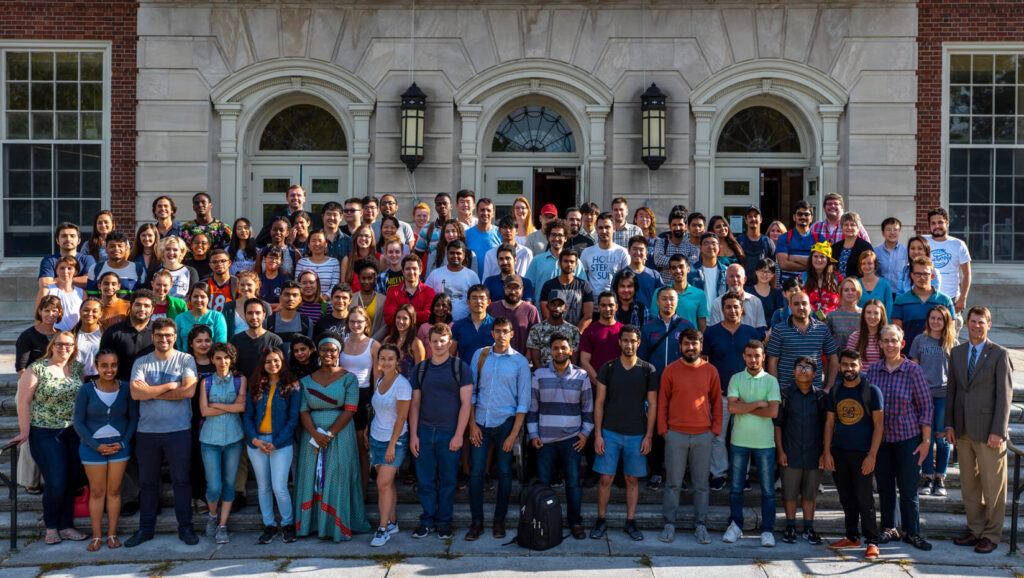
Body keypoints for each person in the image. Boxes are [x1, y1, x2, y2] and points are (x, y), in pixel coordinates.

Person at [126, 318, 200, 547]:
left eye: (168, 335)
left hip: (179, 431)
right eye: (159, 335)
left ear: (175, 336)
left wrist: (151, 391)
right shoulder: (141, 362)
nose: (164, 339)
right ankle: (145, 529)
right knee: (147, 483)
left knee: (181, 481)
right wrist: (169, 386)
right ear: (153, 336)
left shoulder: (186, 359)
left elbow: (188, 391)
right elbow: (136, 394)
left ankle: (185, 527)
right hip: (147, 432)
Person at [947, 306, 1014, 554]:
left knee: (993, 487)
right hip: (963, 431)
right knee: (969, 486)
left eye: (981, 322)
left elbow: (1005, 396)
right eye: (972, 322)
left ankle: (992, 535)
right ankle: (975, 530)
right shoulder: (957, 352)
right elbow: (952, 391)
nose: (976, 326)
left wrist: (999, 430)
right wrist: (949, 424)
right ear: (966, 323)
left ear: (989, 324)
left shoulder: (999, 354)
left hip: (990, 434)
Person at [12, 331, 87, 545]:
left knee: (71, 480)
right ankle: (51, 526)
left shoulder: (77, 369)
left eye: (69, 345)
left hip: (72, 432)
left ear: (74, 347)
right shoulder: (37, 369)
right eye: (60, 344)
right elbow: (23, 402)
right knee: (55, 481)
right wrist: (25, 431)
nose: (64, 348)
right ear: (52, 346)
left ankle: (66, 525)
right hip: (44, 432)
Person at [867, 324, 934, 551]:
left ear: (902, 343)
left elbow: (926, 407)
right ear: (880, 344)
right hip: (882, 440)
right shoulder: (873, 371)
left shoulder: (913, 370)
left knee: (908, 489)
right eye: (886, 340)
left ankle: (912, 532)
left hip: (908, 438)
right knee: (885, 487)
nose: (890, 344)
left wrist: (926, 442)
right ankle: (889, 528)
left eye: (894, 340)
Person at [465, 317, 532, 541]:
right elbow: (472, 393)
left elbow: (524, 401)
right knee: (476, 473)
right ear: (491, 333)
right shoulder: (480, 355)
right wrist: (472, 424)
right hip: (481, 423)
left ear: (512, 334)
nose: (501, 335)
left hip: (506, 424)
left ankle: (499, 520)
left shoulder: (520, 362)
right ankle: (477, 522)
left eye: (505, 331)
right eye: (498, 331)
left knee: (504, 473)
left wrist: (514, 435)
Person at [591, 325, 657, 541]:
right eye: (625, 340)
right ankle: (601, 520)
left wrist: (649, 435)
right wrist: (598, 434)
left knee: (632, 479)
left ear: (639, 343)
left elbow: (653, 405)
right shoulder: (608, 368)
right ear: (619, 342)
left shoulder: (648, 369)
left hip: (637, 433)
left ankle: (631, 521)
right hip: (609, 432)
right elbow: (599, 403)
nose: (629, 344)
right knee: (606, 478)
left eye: (633, 341)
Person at [409, 324, 473, 540]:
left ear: (449, 342)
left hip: (449, 433)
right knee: (425, 481)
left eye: (442, 341)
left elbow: (466, 404)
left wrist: (458, 434)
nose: (438, 345)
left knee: (447, 481)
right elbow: (415, 404)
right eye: (434, 341)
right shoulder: (420, 369)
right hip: (425, 432)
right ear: (428, 342)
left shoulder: (460, 367)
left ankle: (444, 522)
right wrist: (414, 435)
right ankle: (427, 520)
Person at [657, 328, 720, 544]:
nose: (690, 348)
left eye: (694, 344)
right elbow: (662, 402)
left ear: (701, 346)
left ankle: (701, 525)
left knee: (701, 484)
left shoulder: (710, 371)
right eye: (686, 343)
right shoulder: (670, 371)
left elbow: (717, 403)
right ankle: (669, 523)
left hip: (703, 434)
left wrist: (715, 430)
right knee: (673, 482)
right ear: (680, 345)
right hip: (675, 435)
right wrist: (663, 430)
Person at [529, 332, 594, 540]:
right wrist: (533, 434)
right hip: (545, 440)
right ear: (550, 351)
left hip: (572, 440)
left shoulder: (582, 376)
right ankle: (544, 520)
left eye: (563, 348)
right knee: (544, 483)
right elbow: (532, 409)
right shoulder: (539, 375)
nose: (559, 351)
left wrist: (584, 434)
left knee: (573, 483)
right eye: (556, 348)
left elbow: (588, 410)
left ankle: (575, 522)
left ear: (571, 350)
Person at [73, 350, 137, 551]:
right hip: (92, 448)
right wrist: (95, 445)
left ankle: (112, 534)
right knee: (98, 492)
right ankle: (97, 537)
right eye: (104, 365)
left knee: (114, 491)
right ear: (96, 366)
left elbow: (133, 419)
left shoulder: (126, 388)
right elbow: (78, 422)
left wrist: (123, 443)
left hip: (119, 447)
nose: (109, 370)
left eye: (113, 365)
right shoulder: (86, 390)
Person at [823, 349, 884, 559]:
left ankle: (872, 540)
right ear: (839, 366)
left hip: (863, 454)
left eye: (853, 365)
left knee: (864, 499)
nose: (849, 369)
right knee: (846, 498)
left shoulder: (871, 391)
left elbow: (878, 425)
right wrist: (826, 452)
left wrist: (872, 455)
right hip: (839, 452)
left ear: (860, 367)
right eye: (845, 365)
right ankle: (851, 536)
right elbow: (830, 423)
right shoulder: (836, 391)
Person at [722, 340, 781, 548]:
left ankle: (767, 530)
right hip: (739, 441)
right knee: (736, 488)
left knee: (768, 491)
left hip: (765, 443)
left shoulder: (771, 381)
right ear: (744, 357)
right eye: (749, 355)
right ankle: (735, 526)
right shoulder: (736, 379)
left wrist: (744, 406)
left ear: (763, 357)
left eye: (757, 355)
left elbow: (773, 412)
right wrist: (757, 404)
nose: (753, 359)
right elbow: (732, 409)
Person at [701, 292, 762, 490]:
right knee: (717, 436)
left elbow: (759, 362)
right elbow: (703, 361)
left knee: (743, 437)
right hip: (720, 393)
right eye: (728, 307)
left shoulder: (751, 332)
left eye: (736, 307)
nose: (732, 310)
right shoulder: (711, 332)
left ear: (742, 310)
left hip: (746, 395)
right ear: (722, 309)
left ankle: (741, 474)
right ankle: (718, 474)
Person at [243, 348, 302, 544]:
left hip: (281, 443)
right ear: (263, 364)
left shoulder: (292, 387)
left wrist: (275, 443)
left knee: (280, 487)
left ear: (282, 362)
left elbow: (293, 420)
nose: (273, 364)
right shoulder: (255, 385)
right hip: (257, 443)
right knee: (263, 487)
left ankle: (287, 524)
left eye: (276, 360)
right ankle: (269, 525)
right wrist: (254, 439)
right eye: (268, 361)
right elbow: (248, 416)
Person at [774, 355, 826, 545]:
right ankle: (790, 526)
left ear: (815, 374)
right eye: (799, 367)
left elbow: (827, 426)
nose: (803, 370)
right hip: (790, 451)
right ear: (793, 371)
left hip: (814, 453)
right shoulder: (785, 394)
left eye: (807, 368)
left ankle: (809, 527)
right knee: (789, 492)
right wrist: (780, 451)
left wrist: (824, 453)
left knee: (809, 493)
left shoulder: (821, 397)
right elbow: (778, 425)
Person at [198, 342, 246, 544]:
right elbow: (204, 412)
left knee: (229, 483)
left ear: (231, 359)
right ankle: (212, 516)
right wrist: (229, 407)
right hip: (210, 439)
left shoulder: (239, 380)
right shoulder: (206, 382)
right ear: (212, 360)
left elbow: (242, 407)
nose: (222, 362)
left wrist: (216, 404)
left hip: (234, 438)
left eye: (226, 358)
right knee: (213, 486)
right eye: (218, 358)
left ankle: (223, 525)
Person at [368, 344, 413, 546]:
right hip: (376, 437)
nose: (386, 362)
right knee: (387, 484)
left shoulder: (402, 385)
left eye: (390, 359)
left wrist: (392, 445)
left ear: (397, 361)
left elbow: (402, 417)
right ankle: (393, 522)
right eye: (382, 358)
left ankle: (383, 528)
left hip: (394, 440)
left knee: (382, 484)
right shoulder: (378, 380)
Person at [910, 305, 957, 497]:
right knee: (925, 438)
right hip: (923, 395)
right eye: (933, 318)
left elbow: (956, 371)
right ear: (928, 319)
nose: (935, 321)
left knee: (941, 437)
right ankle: (928, 476)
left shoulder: (951, 342)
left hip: (943, 395)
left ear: (945, 322)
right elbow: (914, 366)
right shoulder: (919, 340)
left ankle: (940, 477)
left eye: (939, 319)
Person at [340, 306, 381, 493]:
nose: (356, 325)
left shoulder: (374, 345)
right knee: (344, 448)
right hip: (342, 397)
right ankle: (346, 491)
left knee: (361, 448)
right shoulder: (341, 342)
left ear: (366, 324)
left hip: (363, 396)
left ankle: (362, 493)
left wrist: (374, 407)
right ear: (347, 324)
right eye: (352, 321)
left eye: (359, 321)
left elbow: (377, 380)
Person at [766, 291, 839, 391]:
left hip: (815, 392)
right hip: (786, 392)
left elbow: (833, 358)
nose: (801, 307)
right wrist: (775, 389)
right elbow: (772, 361)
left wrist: (829, 387)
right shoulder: (779, 329)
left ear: (810, 306)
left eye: (804, 303)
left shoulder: (822, 329)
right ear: (790, 307)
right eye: (796, 304)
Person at [892, 256, 955, 355]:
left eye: (926, 274)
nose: (922, 277)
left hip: (938, 357)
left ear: (932, 276)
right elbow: (896, 333)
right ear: (912, 275)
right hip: (908, 356)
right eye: (918, 274)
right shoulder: (901, 301)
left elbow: (951, 331)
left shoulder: (945, 300)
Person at [99, 290, 156, 381]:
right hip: (119, 387)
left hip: (151, 388)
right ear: (130, 307)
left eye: (146, 306)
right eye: (138, 305)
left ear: (152, 310)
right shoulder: (112, 332)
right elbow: (103, 362)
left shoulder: (160, 333)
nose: (142, 309)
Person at [924, 207, 971, 317]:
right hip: (926, 298)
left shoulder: (958, 244)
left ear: (947, 223)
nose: (937, 226)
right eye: (933, 223)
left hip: (951, 299)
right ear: (929, 225)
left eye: (940, 222)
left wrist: (962, 298)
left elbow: (967, 274)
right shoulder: (922, 242)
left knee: (951, 333)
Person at [525, 218, 587, 294]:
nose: (557, 238)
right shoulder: (537, 261)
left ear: (565, 238)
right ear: (548, 237)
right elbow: (529, 287)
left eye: (560, 235)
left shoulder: (575, 262)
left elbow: (583, 288)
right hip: (541, 305)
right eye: (553, 235)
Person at [426, 239, 480, 322]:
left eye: (458, 253)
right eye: (452, 253)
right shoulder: (435, 274)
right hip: (440, 324)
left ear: (464, 255)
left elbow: (477, 301)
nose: (455, 256)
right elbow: (427, 298)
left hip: (465, 323)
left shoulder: (472, 276)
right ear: (446, 254)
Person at [538, 248, 593, 330]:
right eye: (566, 261)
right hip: (553, 334)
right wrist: (557, 334)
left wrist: (575, 334)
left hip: (577, 335)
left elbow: (588, 316)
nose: (569, 264)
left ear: (576, 265)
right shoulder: (548, 285)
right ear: (559, 264)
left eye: (572, 262)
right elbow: (546, 315)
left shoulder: (584, 286)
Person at [486, 275, 540, 356]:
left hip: (520, 361)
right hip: (495, 359)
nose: (513, 292)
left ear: (522, 289)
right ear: (504, 289)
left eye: (516, 288)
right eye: (509, 288)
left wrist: (525, 362)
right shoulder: (492, 308)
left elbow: (534, 342)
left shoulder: (531, 310)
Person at [230, 298, 284, 378]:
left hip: (267, 388)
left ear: (264, 315)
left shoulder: (275, 341)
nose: (254, 317)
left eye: (258, 313)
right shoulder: (235, 340)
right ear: (245, 316)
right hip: (242, 388)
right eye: (250, 313)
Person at [255, 184, 323, 246]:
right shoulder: (277, 217)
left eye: (299, 195)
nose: (296, 198)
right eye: (292, 195)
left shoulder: (314, 218)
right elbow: (260, 241)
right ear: (287, 198)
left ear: (304, 199)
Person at [526, 291, 581, 368]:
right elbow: (535, 360)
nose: (556, 308)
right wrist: (544, 376)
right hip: (543, 375)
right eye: (553, 304)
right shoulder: (536, 329)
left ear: (565, 307)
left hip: (567, 376)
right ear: (547, 306)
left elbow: (574, 360)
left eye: (560, 305)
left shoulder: (573, 331)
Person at [580, 212, 630, 295]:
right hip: (593, 299)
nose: (603, 231)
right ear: (596, 229)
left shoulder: (622, 252)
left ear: (614, 228)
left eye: (607, 227)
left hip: (615, 299)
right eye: (600, 227)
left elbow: (627, 279)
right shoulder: (586, 253)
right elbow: (582, 281)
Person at [580, 292, 622, 389]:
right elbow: (584, 362)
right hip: (595, 388)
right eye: (603, 305)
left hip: (619, 388)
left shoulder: (623, 331)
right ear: (598, 307)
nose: (607, 309)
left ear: (616, 307)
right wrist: (600, 384)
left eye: (611, 305)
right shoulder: (589, 331)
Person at [382, 255, 436, 331]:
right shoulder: (393, 291)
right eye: (407, 269)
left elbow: (429, 316)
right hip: (396, 338)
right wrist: (417, 315)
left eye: (414, 269)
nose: (411, 272)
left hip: (420, 337)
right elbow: (389, 317)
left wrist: (402, 316)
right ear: (403, 271)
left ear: (420, 270)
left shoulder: (429, 292)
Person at [86, 231, 147, 296]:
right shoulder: (95, 269)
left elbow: (142, 297)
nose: (116, 249)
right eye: (112, 246)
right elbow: (92, 299)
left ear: (126, 249)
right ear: (106, 250)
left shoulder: (138, 269)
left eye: (120, 246)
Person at [707, 263, 766, 331]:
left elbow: (760, 331)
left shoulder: (755, 302)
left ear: (744, 279)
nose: (735, 280)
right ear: (726, 280)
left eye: (738, 276)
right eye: (731, 276)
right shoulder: (717, 303)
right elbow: (715, 331)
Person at [38, 222, 95, 290]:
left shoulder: (88, 259)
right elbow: (45, 284)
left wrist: (57, 280)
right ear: (57, 240)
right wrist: (78, 281)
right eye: (64, 236)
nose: (68, 239)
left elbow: (90, 282)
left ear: (79, 240)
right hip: (56, 299)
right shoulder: (49, 260)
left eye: (72, 236)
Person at [174, 283, 227, 351]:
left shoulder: (217, 317)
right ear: (190, 298)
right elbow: (176, 345)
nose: (199, 300)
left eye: (203, 297)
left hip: (210, 359)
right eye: (195, 296)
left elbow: (221, 345)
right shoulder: (180, 318)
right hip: (184, 359)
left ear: (209, 298)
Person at [776, 200, 819, 284]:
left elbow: (822, 264)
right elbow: (783, 264)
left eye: (806, 214)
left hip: (811, 288)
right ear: (794, 217)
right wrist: (810, 266)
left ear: (811, 218)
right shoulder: (784, 238)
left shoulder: (819, 239)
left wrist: (794, 258)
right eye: (799, 214)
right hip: (788, 289)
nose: (803, 217)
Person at [267, 281, 313, 358]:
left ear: (300, 299)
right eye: (287, 294)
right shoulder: (268, 322)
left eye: (295, 295)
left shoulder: (307, 322)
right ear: (280, 298)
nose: (290, 298)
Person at [688, 232, 729, 316]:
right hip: (699, 318)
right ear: (700, 248)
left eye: (714, 243)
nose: (710, 247)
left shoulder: (726, 271)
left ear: (719, 247)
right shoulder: (691, 271)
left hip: (721, 318)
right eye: (706, 243)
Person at [482, 216, 533, 280]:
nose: (508, 231)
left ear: (517, 230)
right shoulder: (490, 254)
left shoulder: (526, 252)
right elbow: (486, 278)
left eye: (511, 228)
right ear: (499, 231)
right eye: (505, 227)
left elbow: (530, 277)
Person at [384, 304, 428, 377]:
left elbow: (419, 373)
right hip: (388, 385)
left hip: (407, 386)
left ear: (411, 321)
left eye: (405, 318)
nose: (401, 321)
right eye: (398, 317)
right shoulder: (388, 340)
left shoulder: (416, 343)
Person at [651, 209, 694, 283]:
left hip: (685, 289)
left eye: (680, 225)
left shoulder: (690, 244)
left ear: (686, 226)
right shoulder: (661, 242)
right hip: (665, 287)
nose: (677, 228)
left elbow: (693, 262)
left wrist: (668, 260)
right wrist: (683, 262)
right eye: (674, 225)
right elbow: (658, 260)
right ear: (670, 227)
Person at [802, 242, 843, 320]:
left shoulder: (837, 277)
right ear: (811, 258)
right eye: (815, 256)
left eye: (822, 257)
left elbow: (844, 301)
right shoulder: (803, 277)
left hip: (833, 323)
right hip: (809, 324)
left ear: (828, 260)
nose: (819, 260)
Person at [464, 198, 502, 277]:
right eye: (482, 210)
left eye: (488, 210)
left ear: (493, 213)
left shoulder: (500, 233)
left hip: (493, 282)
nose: (485, 213)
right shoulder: (466, 235)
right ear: (477, 212)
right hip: (472, 281)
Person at [739, 206, 776, 286]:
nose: (753, 219)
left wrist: (773, 291)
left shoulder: (768, 242)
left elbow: (773, 270)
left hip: (763, 288)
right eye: (750, 216)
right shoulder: (739, 241)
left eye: (756, 216)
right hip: (744, 288)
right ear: (746, 220)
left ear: (761, 220)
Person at [623, 235, 663, 308]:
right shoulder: (620, 276)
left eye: (641, 249)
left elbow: (662, 298)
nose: (638, 252)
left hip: (650, 318)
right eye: (634, 249)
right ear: (629, 251)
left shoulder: (655, 276)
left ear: (646, 253)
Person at [222, 271, 266, 336]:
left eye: (249, 285)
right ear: (238, 286)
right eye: (242, 285)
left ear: (257, 285)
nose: (245, 288)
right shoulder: (229, 307)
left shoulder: (265, 306)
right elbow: (224, 333)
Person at [831, 212, 873, 280]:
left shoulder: (865, 247)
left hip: (857, 286)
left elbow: (871, 268)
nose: (849, 227)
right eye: (846, 225)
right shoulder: (835, 247)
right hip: (836, 287)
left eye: (852, 225)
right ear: (842, 227)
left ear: (858, 228)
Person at [155, 236, 199, 300]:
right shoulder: (155, 272)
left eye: (175, 250)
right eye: (168, 249)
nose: (171, 253)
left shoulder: (191, 272)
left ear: (181, 252)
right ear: (162, 251)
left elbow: (193, 297)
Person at [847, 299, 889, 367]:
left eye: (876, 313)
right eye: (869, 312)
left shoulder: (888, 337)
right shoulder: (854, 337)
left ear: (881, 315)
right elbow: (849, 363)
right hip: (860, 377)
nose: (872, 316)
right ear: (863, 314)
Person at [340, 225, 381, 292]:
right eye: (360, 236)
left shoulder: (380, 258)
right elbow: (343, 287)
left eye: (367, 236)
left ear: (372, 239)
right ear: (356, 238)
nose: (363, 238)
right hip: (353, 300)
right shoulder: (347, 259)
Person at [414, 193, 455, 259]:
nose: (442, 206)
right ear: (435, 207)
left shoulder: (462, 228)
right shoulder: (426, 230)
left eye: (445, 203)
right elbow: (416, 258)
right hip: (433, 269)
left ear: (451, 206)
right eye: (439, 204)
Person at [825, 278, 863, 350]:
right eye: (846, 290)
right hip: (837, 359)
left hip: (860, 359)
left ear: (858, 292)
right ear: (841, 293)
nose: (850, 293)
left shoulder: (865, 315)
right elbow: (826, 343)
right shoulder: (832, 317)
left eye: (853, 290)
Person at [855, 251, 893, 315]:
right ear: (860, 266)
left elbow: (889, 310)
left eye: (869, 263)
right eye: (863, 263)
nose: (866, 266)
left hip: (880, 323)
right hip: (859, 323)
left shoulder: (885, 285)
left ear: (875, 265)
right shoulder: (856, 284)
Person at [874, 217, 906, 293]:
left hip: (901, 293)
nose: (892, 233)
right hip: (881, 292)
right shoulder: (875, 251)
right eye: (888, 230)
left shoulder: (906, 251)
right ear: (883, 233)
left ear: (899, 232)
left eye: (895, 230)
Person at [75, 297, 104, 380]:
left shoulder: (106, 334)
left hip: (101, 380)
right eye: (86, 310)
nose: (90, 314)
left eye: (94, 311)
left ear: (101, 314)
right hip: (76, 380)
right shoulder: (71, 334)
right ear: (80, 311)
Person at [751, 258, 784, 327]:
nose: (765, 275)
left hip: (770, 332)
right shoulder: (747, 292)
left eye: (768, 272)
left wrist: (769, 333)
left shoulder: (777, 294)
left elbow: (779, 317)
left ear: (773, 274)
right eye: (762, 271)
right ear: (756, 272)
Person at [206, 249, 237, 314]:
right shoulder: (204, 284)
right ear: (210, 265)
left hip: (230, 322)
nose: (219, 264)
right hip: (208, 323)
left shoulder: (238, 284)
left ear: (229, 263)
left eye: (223, 261)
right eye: (215, 262)